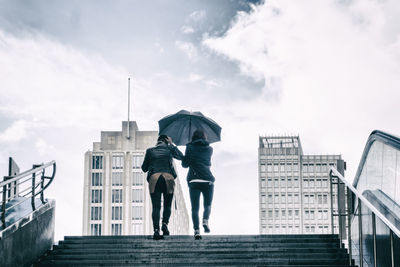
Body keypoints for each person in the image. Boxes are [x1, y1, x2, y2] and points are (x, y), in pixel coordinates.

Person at [141, 134, 183, 240]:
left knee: (156, 206)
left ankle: (156, 230)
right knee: (167, 205)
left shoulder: (150, 151)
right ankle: (165, 224)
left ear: (157, 141)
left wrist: (151, 163)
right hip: (168, 178)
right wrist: (171, 144)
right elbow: (181, 157)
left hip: (154, 178)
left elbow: (144, 168)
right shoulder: (169, 149)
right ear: (166, 141)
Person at [182, 129, 215, 240]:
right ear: (205, 137)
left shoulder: (190, 147)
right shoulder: (210, 149)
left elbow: (185, 165)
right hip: (207, 180)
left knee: (195, 208)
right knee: (207, 205)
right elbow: (206, 162)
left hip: (194, 180)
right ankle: (205, 220)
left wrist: (188, 148)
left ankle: (196, 230)